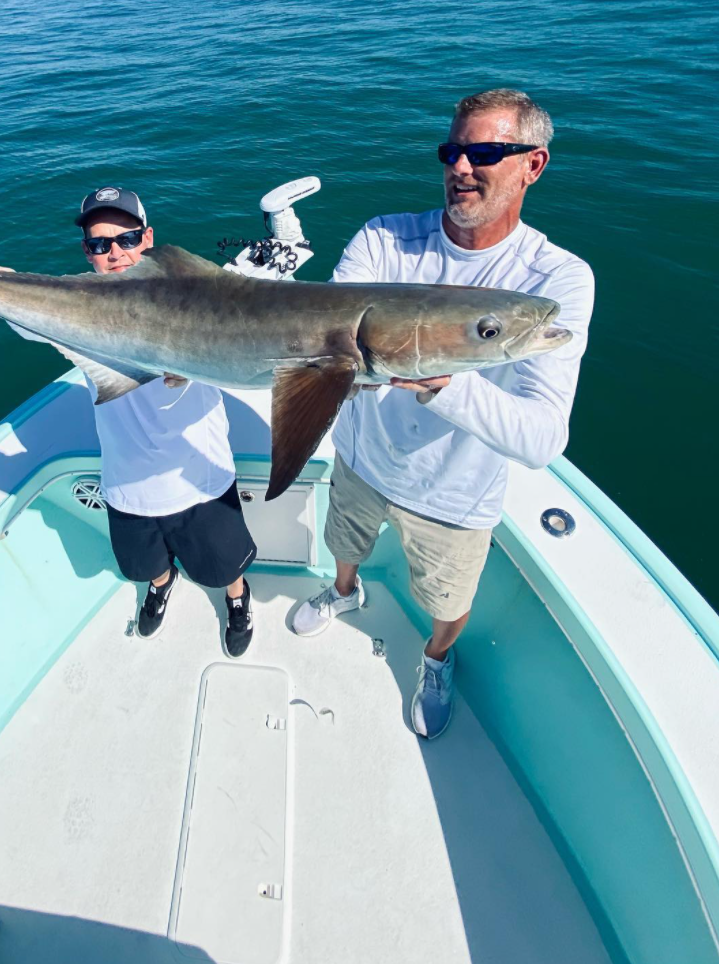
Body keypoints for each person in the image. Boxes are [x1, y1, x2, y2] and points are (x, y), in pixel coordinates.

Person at [292, 89, 595, 740]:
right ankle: (344, 590)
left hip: (453, 496)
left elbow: (542, 438)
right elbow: (329, 344)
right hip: (361, 457)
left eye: (484, 151)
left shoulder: (556, 280)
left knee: (444, 604)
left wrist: (438, 379)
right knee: (342, 545)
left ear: (531, 165)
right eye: (452, 150)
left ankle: (434, 659)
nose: (460, 167)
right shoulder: (384, 237)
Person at [0, 187, 257, 657]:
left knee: (222, 570)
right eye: (99, 245)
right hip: (126, 486)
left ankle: (237, 600)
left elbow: (256, 303)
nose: (115, 253)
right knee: (147, 566)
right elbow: (29, 300)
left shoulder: (207, 301)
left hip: (202, 481)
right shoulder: (76, 311)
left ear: (148, 238)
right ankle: (160, 585)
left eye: (127, 239)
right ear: (87, 255)